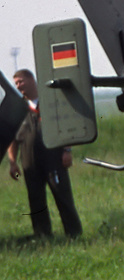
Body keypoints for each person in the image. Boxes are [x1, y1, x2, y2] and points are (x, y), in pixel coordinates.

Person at [7, 69, 82, 239]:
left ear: (31, 79)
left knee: (62, 195)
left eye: (21, 81)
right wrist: (12, 162)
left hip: (53, 158)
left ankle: (74, 233)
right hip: (29, 161)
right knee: (35, 199)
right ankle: (42, 235)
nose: (19, 86)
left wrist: (67, 150)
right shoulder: (19, 109)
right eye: (16, 83)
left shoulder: (51, 102)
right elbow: (12, 139)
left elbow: (66, 126)